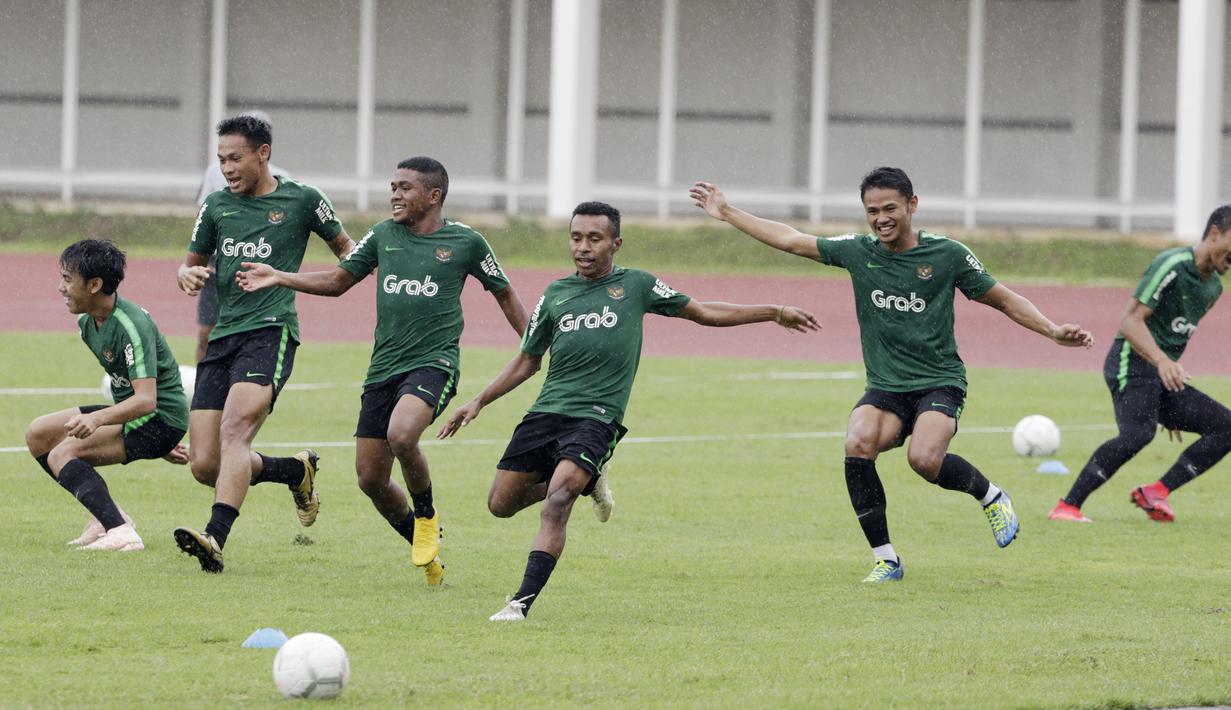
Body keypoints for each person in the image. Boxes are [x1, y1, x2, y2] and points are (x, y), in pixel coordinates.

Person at [690, 167, 1094, 582]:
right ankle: (887, 560)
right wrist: (728, 212)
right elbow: (792, 240)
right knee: (858, 443)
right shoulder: (857, 251)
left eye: (889, 208)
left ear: (911, 206)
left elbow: (1005, 300)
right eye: (871, 211)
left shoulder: (947, 255)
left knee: (924, 459)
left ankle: (991, 496)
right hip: (885, 385)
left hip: (939, 380)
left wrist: (1052, 330)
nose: (880, 218)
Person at [436, 201, 820, 620]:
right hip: (547, 412)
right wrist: (477, 401)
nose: (583, 247)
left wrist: (773, 312)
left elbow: (704, 312)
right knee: (501, 504)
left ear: (615, 243)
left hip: (597, 416)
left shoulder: (637, 286)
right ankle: (589, 480)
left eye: (595, 239)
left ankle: (519, 604)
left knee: (557, 501)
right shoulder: (555, 294)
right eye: (576, 237)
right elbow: (528, 359)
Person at [236, 157, 529, 586]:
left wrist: (531, 342)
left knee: (402, 434)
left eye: (406, 187)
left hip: (434, 363)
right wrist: (281, 276)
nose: (395, 194)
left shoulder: (466, 242)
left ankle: (426, 515)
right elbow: (338, 281)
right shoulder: (383, 235)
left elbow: (504, 292)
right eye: (393, 186)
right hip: (382, 369)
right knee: (371, 478)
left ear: (434, 196)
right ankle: (422, 545)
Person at [173, 114, 356, 573]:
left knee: (236, 431)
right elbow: (189, 264)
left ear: (263, 154)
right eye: (220, 160)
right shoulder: (216, 206)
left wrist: (285, 278)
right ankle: (294, 471)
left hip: (272, 331)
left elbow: (352, 256)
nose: (227, 168)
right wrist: (187, 275)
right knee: (204, 464)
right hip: (223, 336)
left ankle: (215, 538)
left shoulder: (303, 200)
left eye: (235, 158)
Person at [1049, 206, 1231, 524]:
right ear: (1215, 233)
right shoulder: (1172, 264)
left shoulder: (1213, 288)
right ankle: (1067, 506)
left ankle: (1156, 491)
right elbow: (1130, 322)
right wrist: (1162, 363)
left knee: (1226, 427)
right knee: (1138, 434)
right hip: (1129, 361)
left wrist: (1167, 382)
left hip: (1160, 372)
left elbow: (1173, 335)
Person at [25, 239, 189, 552]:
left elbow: (147, 399)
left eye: (67, 279)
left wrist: (101, 420)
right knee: (39, 434)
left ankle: (121, 531)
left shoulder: (131, 325)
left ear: (95, 284)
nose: (61, 287)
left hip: (158, 418)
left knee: (62, 453)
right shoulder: (87, 322)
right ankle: (106, 517)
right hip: (137, 416)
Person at [192, 110, 287, 364]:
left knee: (253, 337)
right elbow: (203, 214)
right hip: (218, 269)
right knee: (206, 333)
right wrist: (200, 262)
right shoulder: (214, 172)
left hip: (259, 271)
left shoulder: (284, 180)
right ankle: (205, 385)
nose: (228, 168)